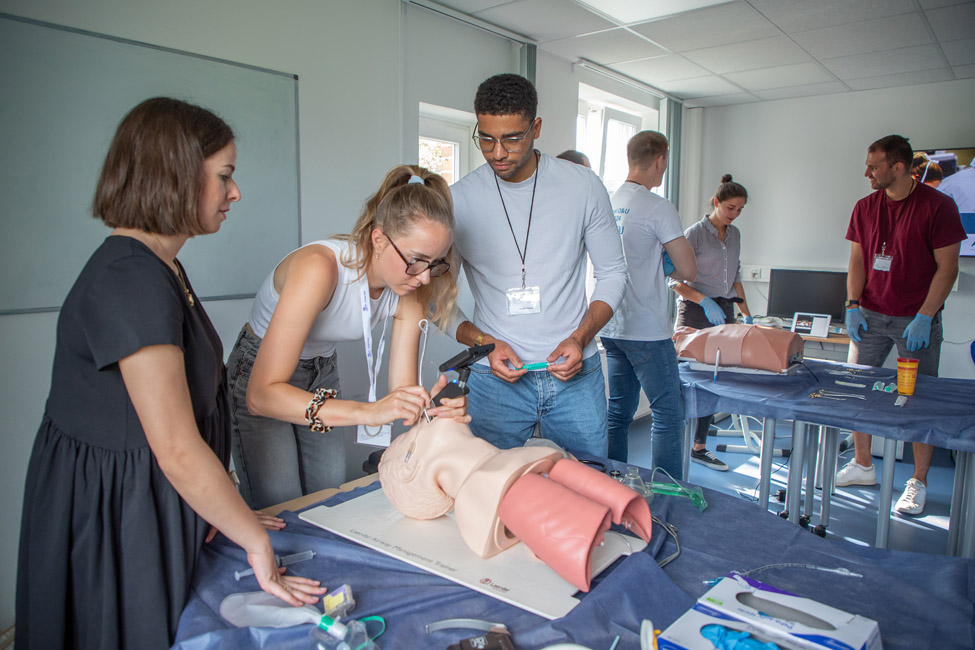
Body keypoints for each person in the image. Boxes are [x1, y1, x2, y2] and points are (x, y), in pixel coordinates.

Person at [15, 98, 326, 650]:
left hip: (146, 491)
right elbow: (177, 448)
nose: (235, 192)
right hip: (115, 509)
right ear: (176, 175)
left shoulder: (161, 266)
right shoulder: (130, 279)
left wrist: (221, 506)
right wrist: (253, 541)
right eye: (224, 176)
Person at [229, 165, 468, 509]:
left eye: (435, 264)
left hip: (321, 370)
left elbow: (401, 395)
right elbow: (261, 396)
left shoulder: (410, 289)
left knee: (325, 496)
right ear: (379, 239)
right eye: (416, 261)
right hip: (260, 369)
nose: (425, 278)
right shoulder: (320, 268)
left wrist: (430, 407)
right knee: (281, 503)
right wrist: (367, 412)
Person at [449, 73, 627, 456]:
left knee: (586, 480)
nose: (497, 153)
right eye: (486, 138)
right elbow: (435, 299)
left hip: (576, 373)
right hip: (494, 379)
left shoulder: (583, 186)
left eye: (512, 138)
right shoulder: (457, 200)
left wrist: (580, 338)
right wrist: (483, 343)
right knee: (489, 484)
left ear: (536, 128)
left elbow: (613, 273)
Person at [836, 135, 965, 515]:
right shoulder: (864, 207)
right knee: (857, 390)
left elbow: (948, 268)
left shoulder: (938, 206)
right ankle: (862, 465)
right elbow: (857, 260)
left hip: (915, 318)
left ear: (897, 167)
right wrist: (853, 304)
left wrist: (926, 315)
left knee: (919, 399)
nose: (867, 173)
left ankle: (917, 482)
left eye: (873, 166)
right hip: (870, 316)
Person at [599, 131, 696, 475]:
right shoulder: (658, 206)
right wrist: (666, 263)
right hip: (647, 331)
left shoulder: (606, 201)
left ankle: (612, 485)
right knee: (668, 412)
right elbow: (688, 270)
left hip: (611, 325)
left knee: (617, 414)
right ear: (660, 160)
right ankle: (668, 492)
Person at [671, 174, 754, 472]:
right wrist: (703, 300)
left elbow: (735, 277)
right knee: (685, 380)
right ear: (716, 202)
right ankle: (673, 445)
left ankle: (699, 447)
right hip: (695, 310)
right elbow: (674, 280)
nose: (735, 214)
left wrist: (746, 314)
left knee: (714, 379)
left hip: (724, 311)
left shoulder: (735, 235)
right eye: (731, 208)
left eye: (740, 209)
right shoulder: (694, 234)